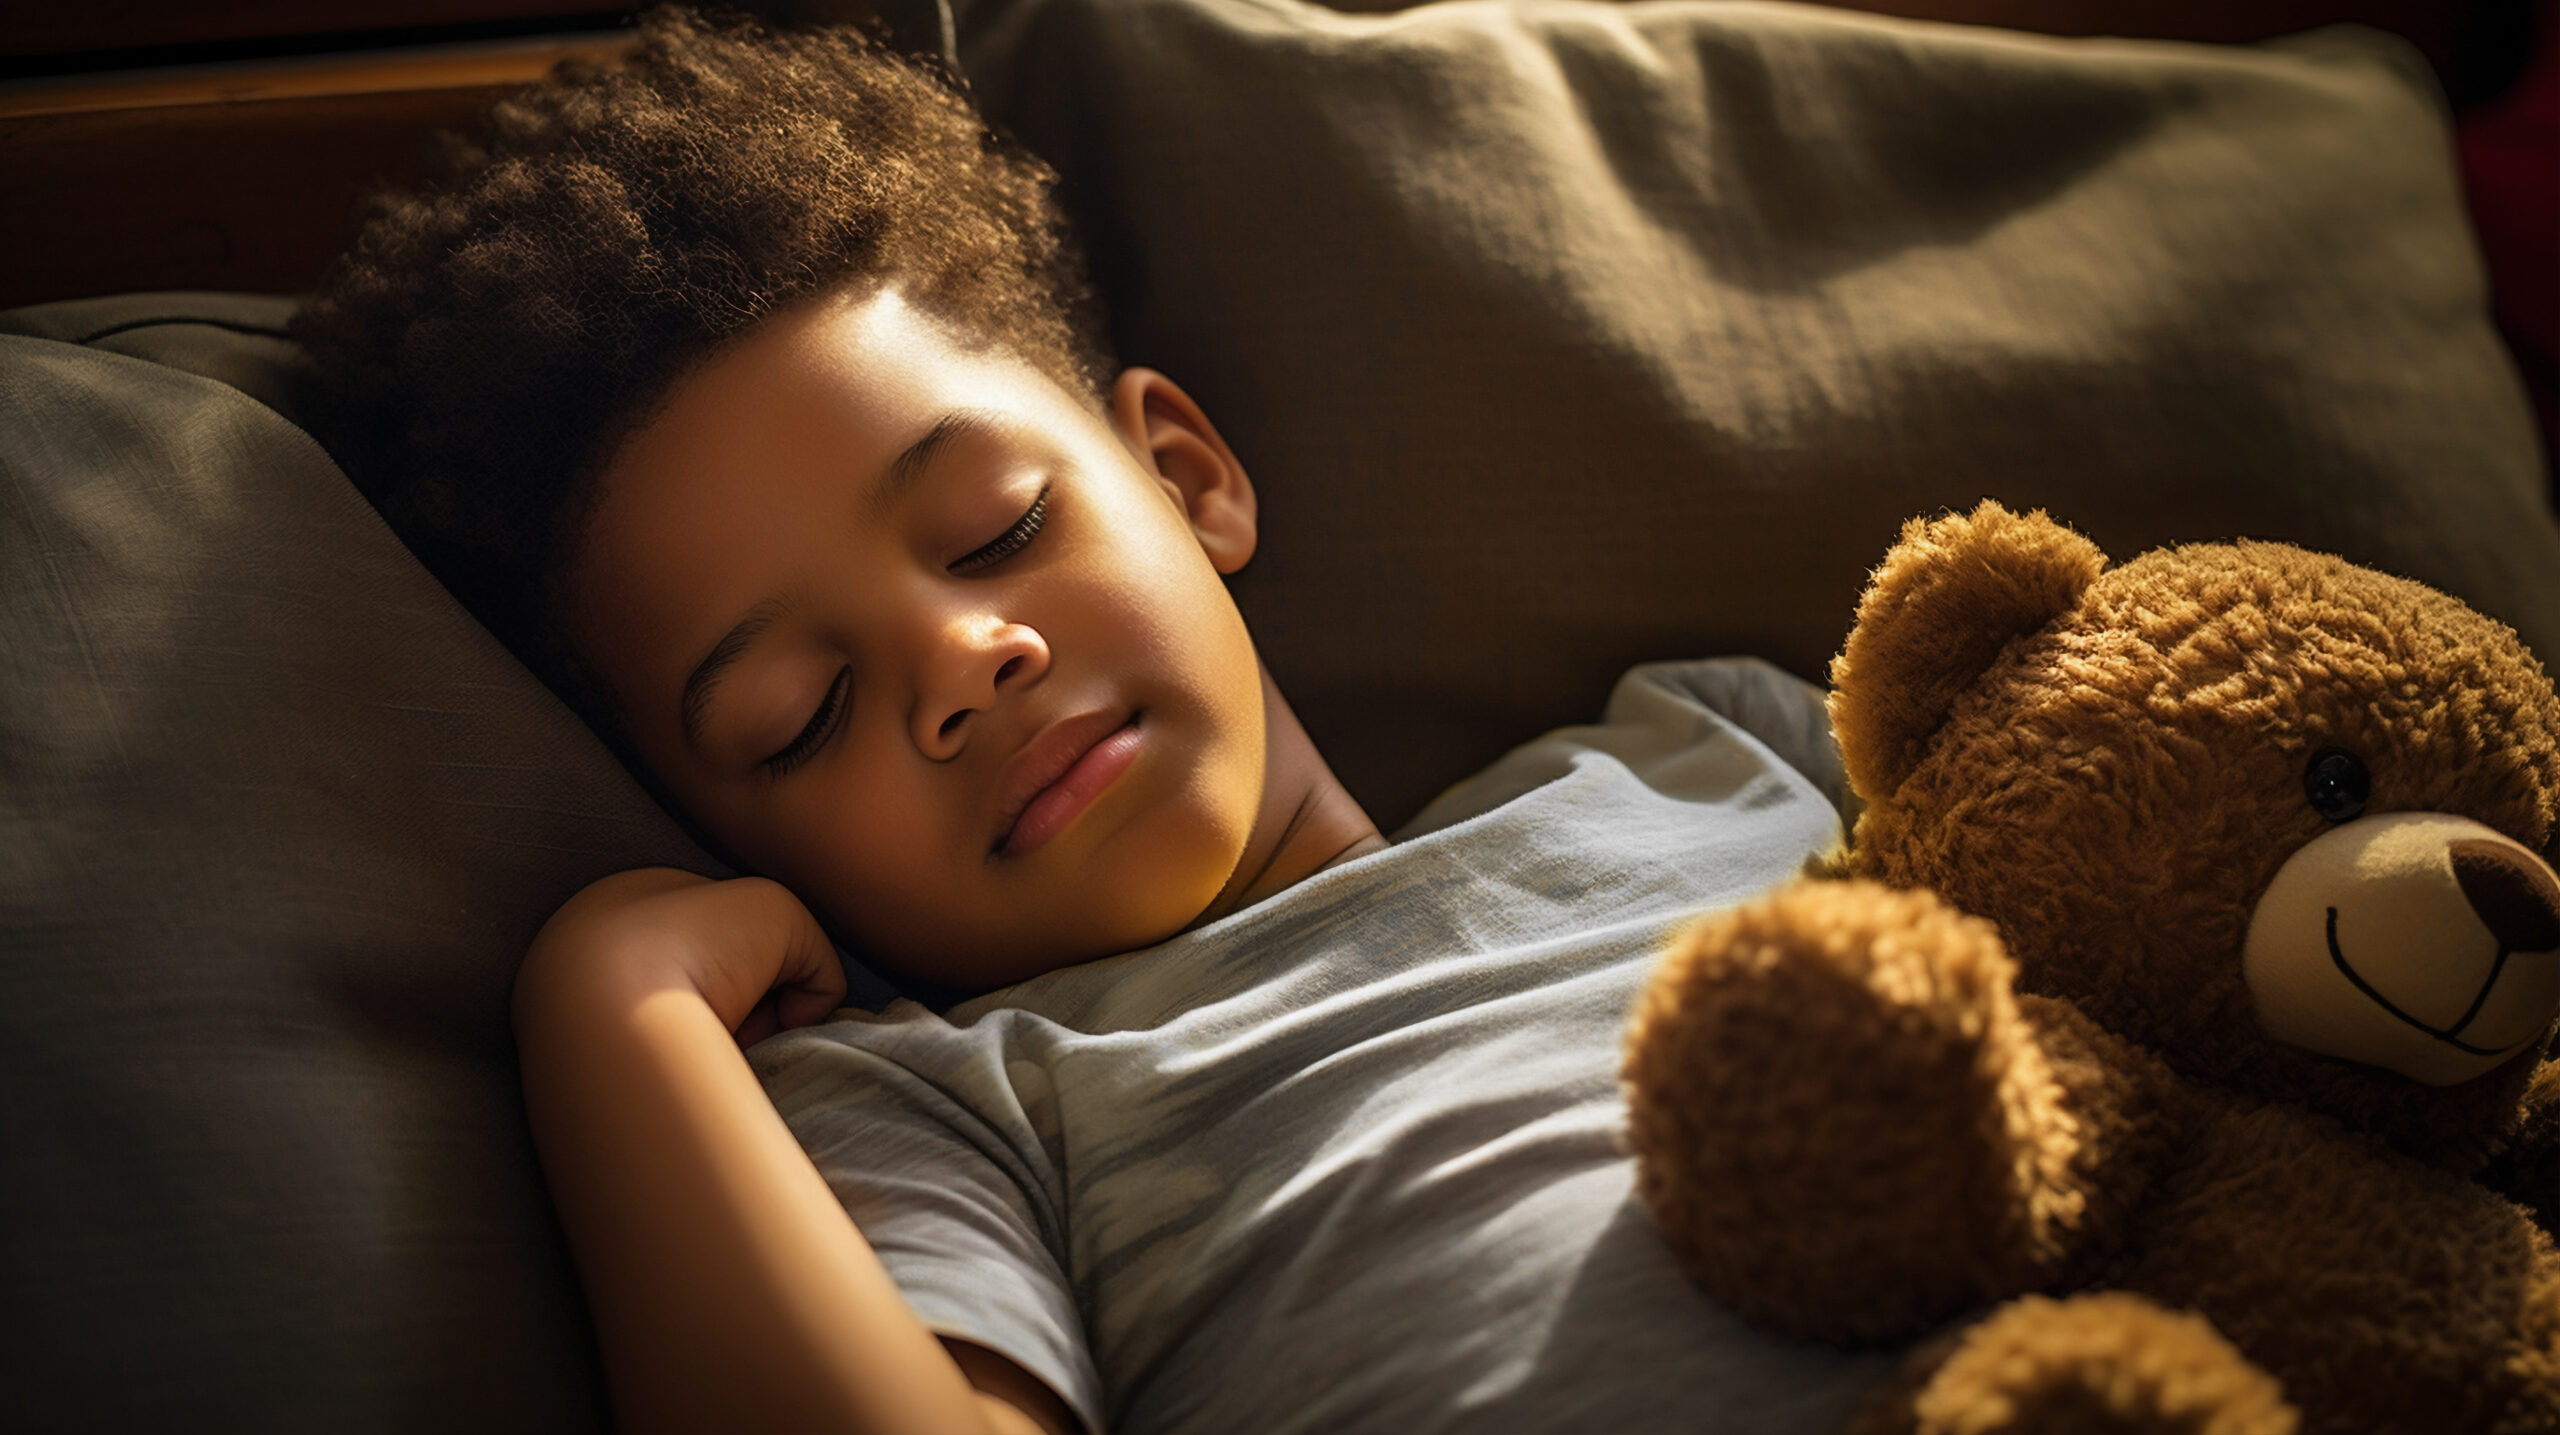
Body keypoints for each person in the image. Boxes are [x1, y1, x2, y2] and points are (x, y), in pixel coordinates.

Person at [298, 10, 1887, 1432]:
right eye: (804, 714)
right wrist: (614, 1014)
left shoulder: (1717, 754)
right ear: (723, 832)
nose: (966, 660)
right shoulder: (952, 1105)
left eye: (994, 532)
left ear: (1185, 479)